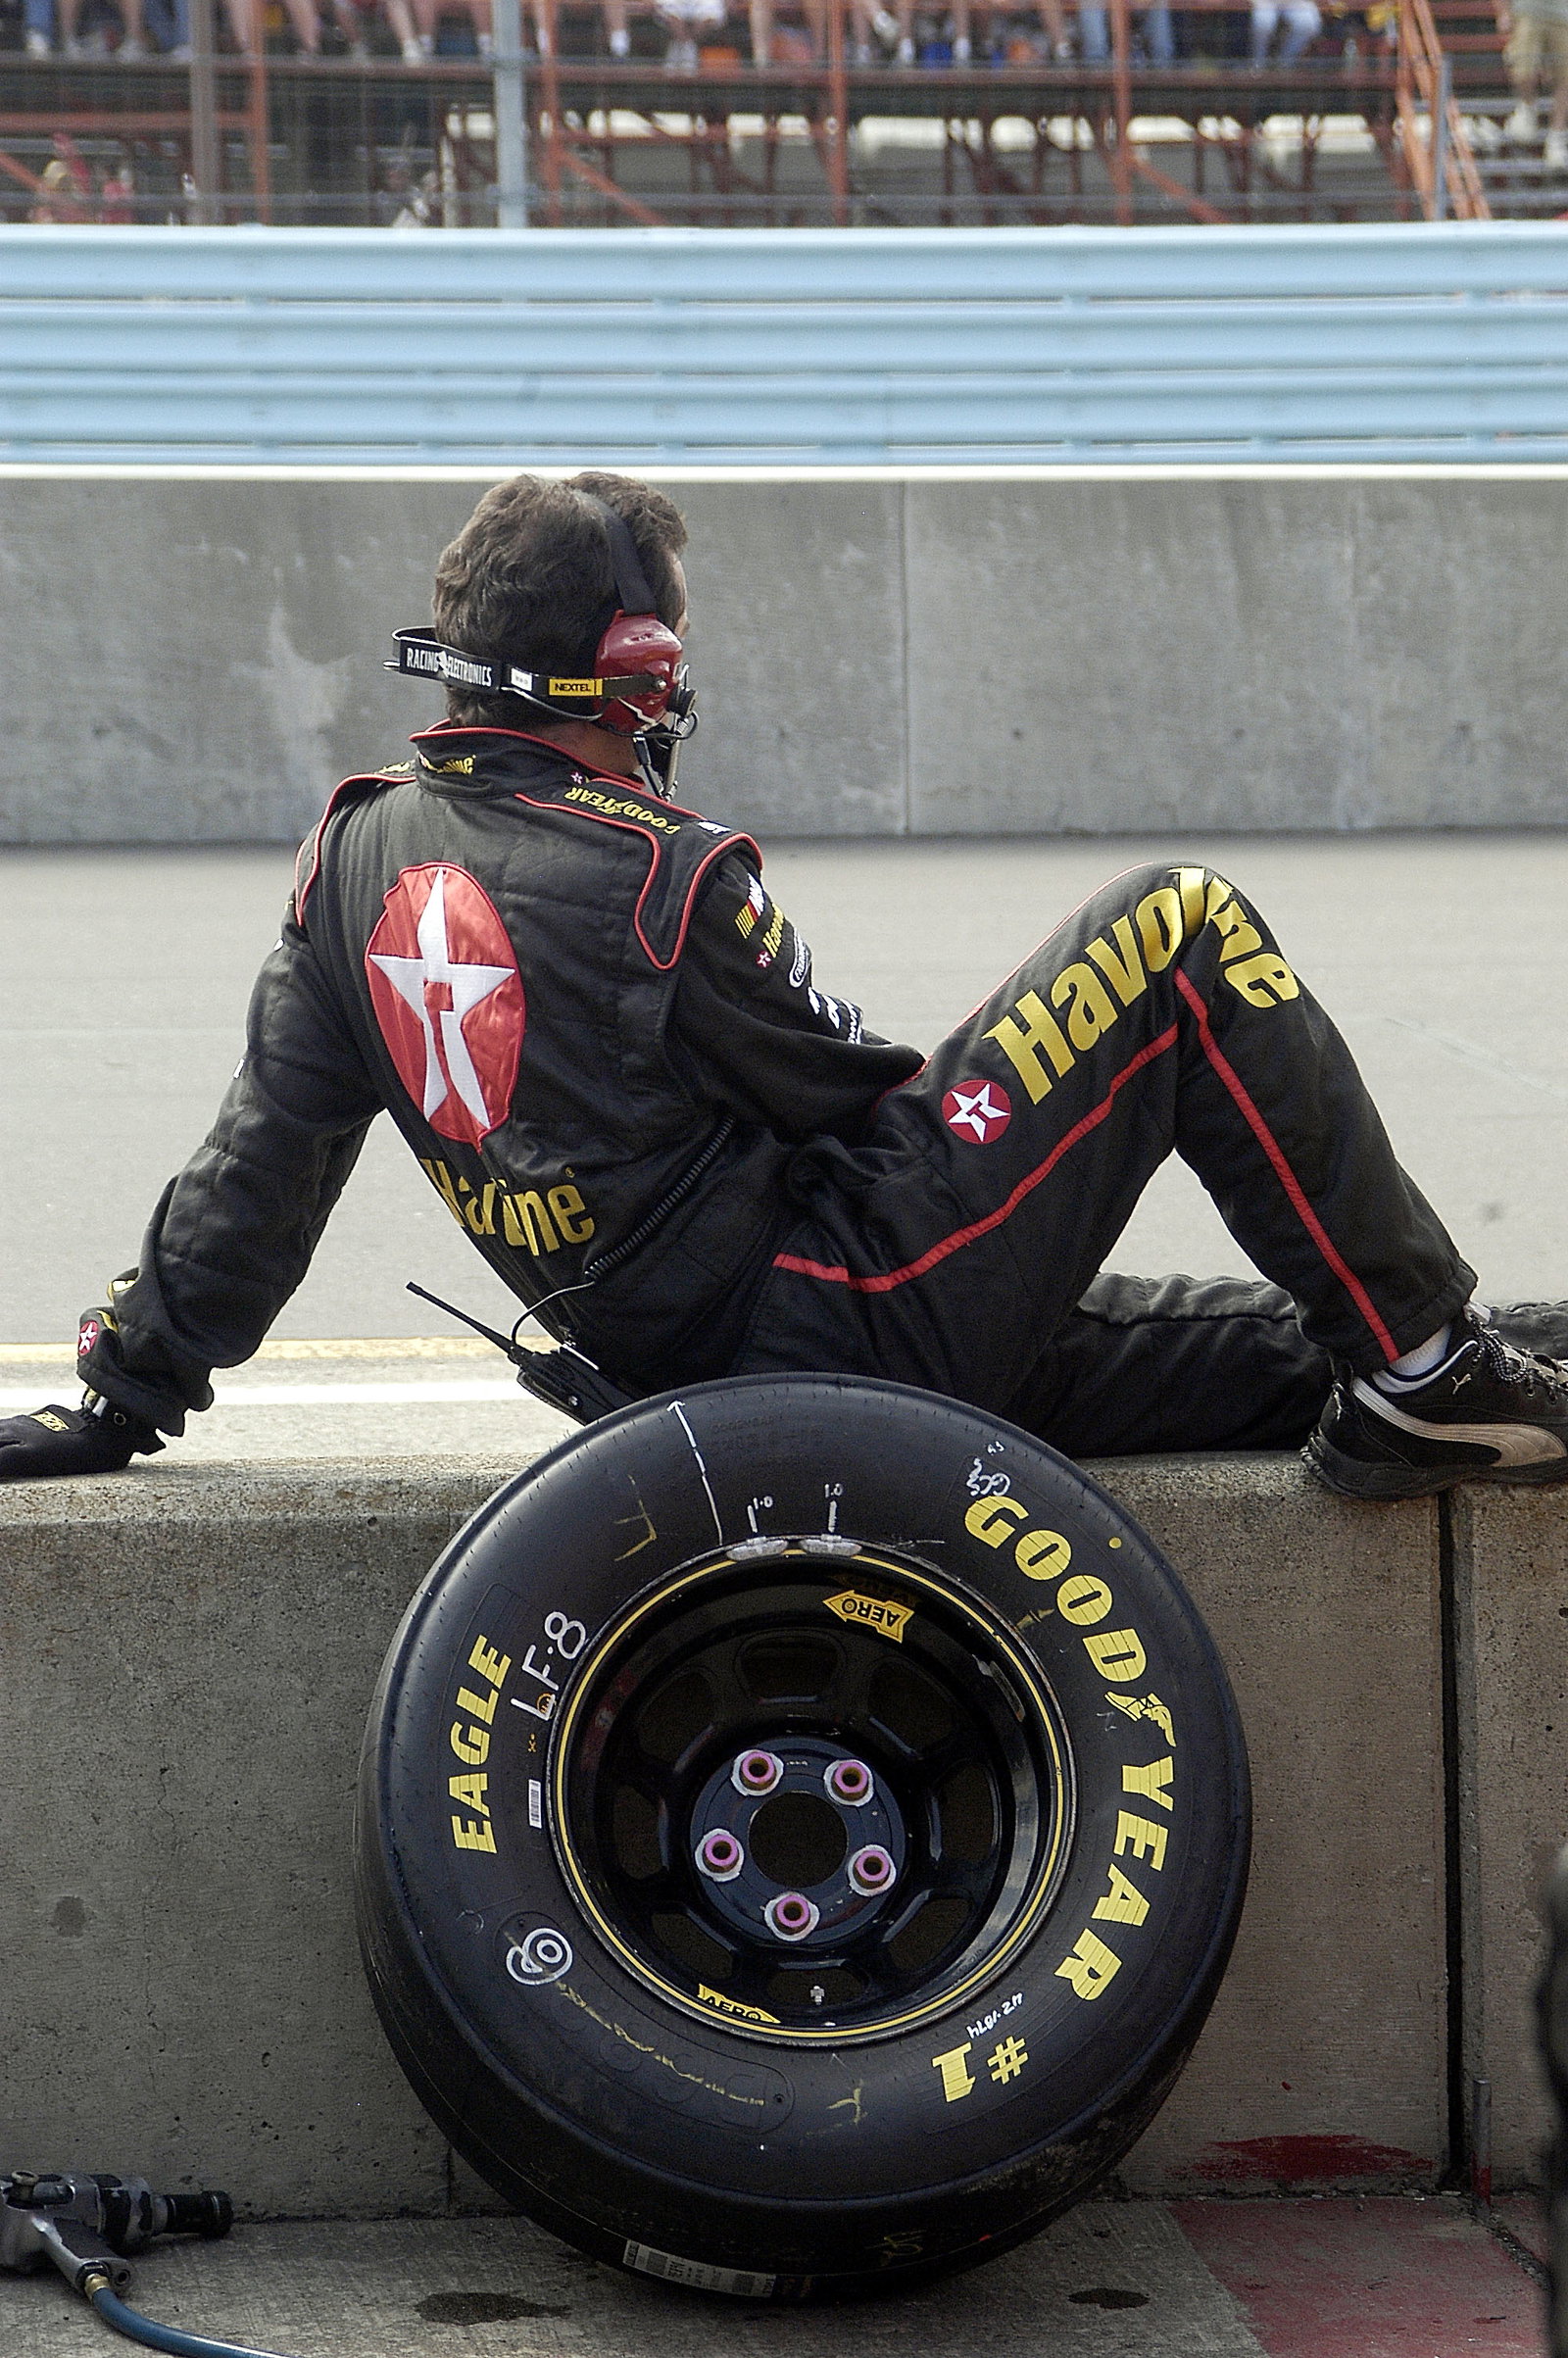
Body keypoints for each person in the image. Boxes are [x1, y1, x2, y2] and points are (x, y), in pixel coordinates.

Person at [6, 467, 1568, 1498]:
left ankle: (1437, 1358)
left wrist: (121, 1398)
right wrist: (1041, 1115)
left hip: (673, 1378)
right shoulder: (666, 873)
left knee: (1299, 1340)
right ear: (629, 671)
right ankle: (1429, 1365)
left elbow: (253, 1178)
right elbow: (868, 1112)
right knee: (1178, 924)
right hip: (845, 1333)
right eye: (663, 664)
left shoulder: (345, 866)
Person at [1500, 0, 1568, 171]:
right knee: (1522, 68)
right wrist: (1504, 11)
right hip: (1528, 9)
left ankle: (1557, 136)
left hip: (1563, 13)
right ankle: (1527, 109)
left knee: (1565, 77)